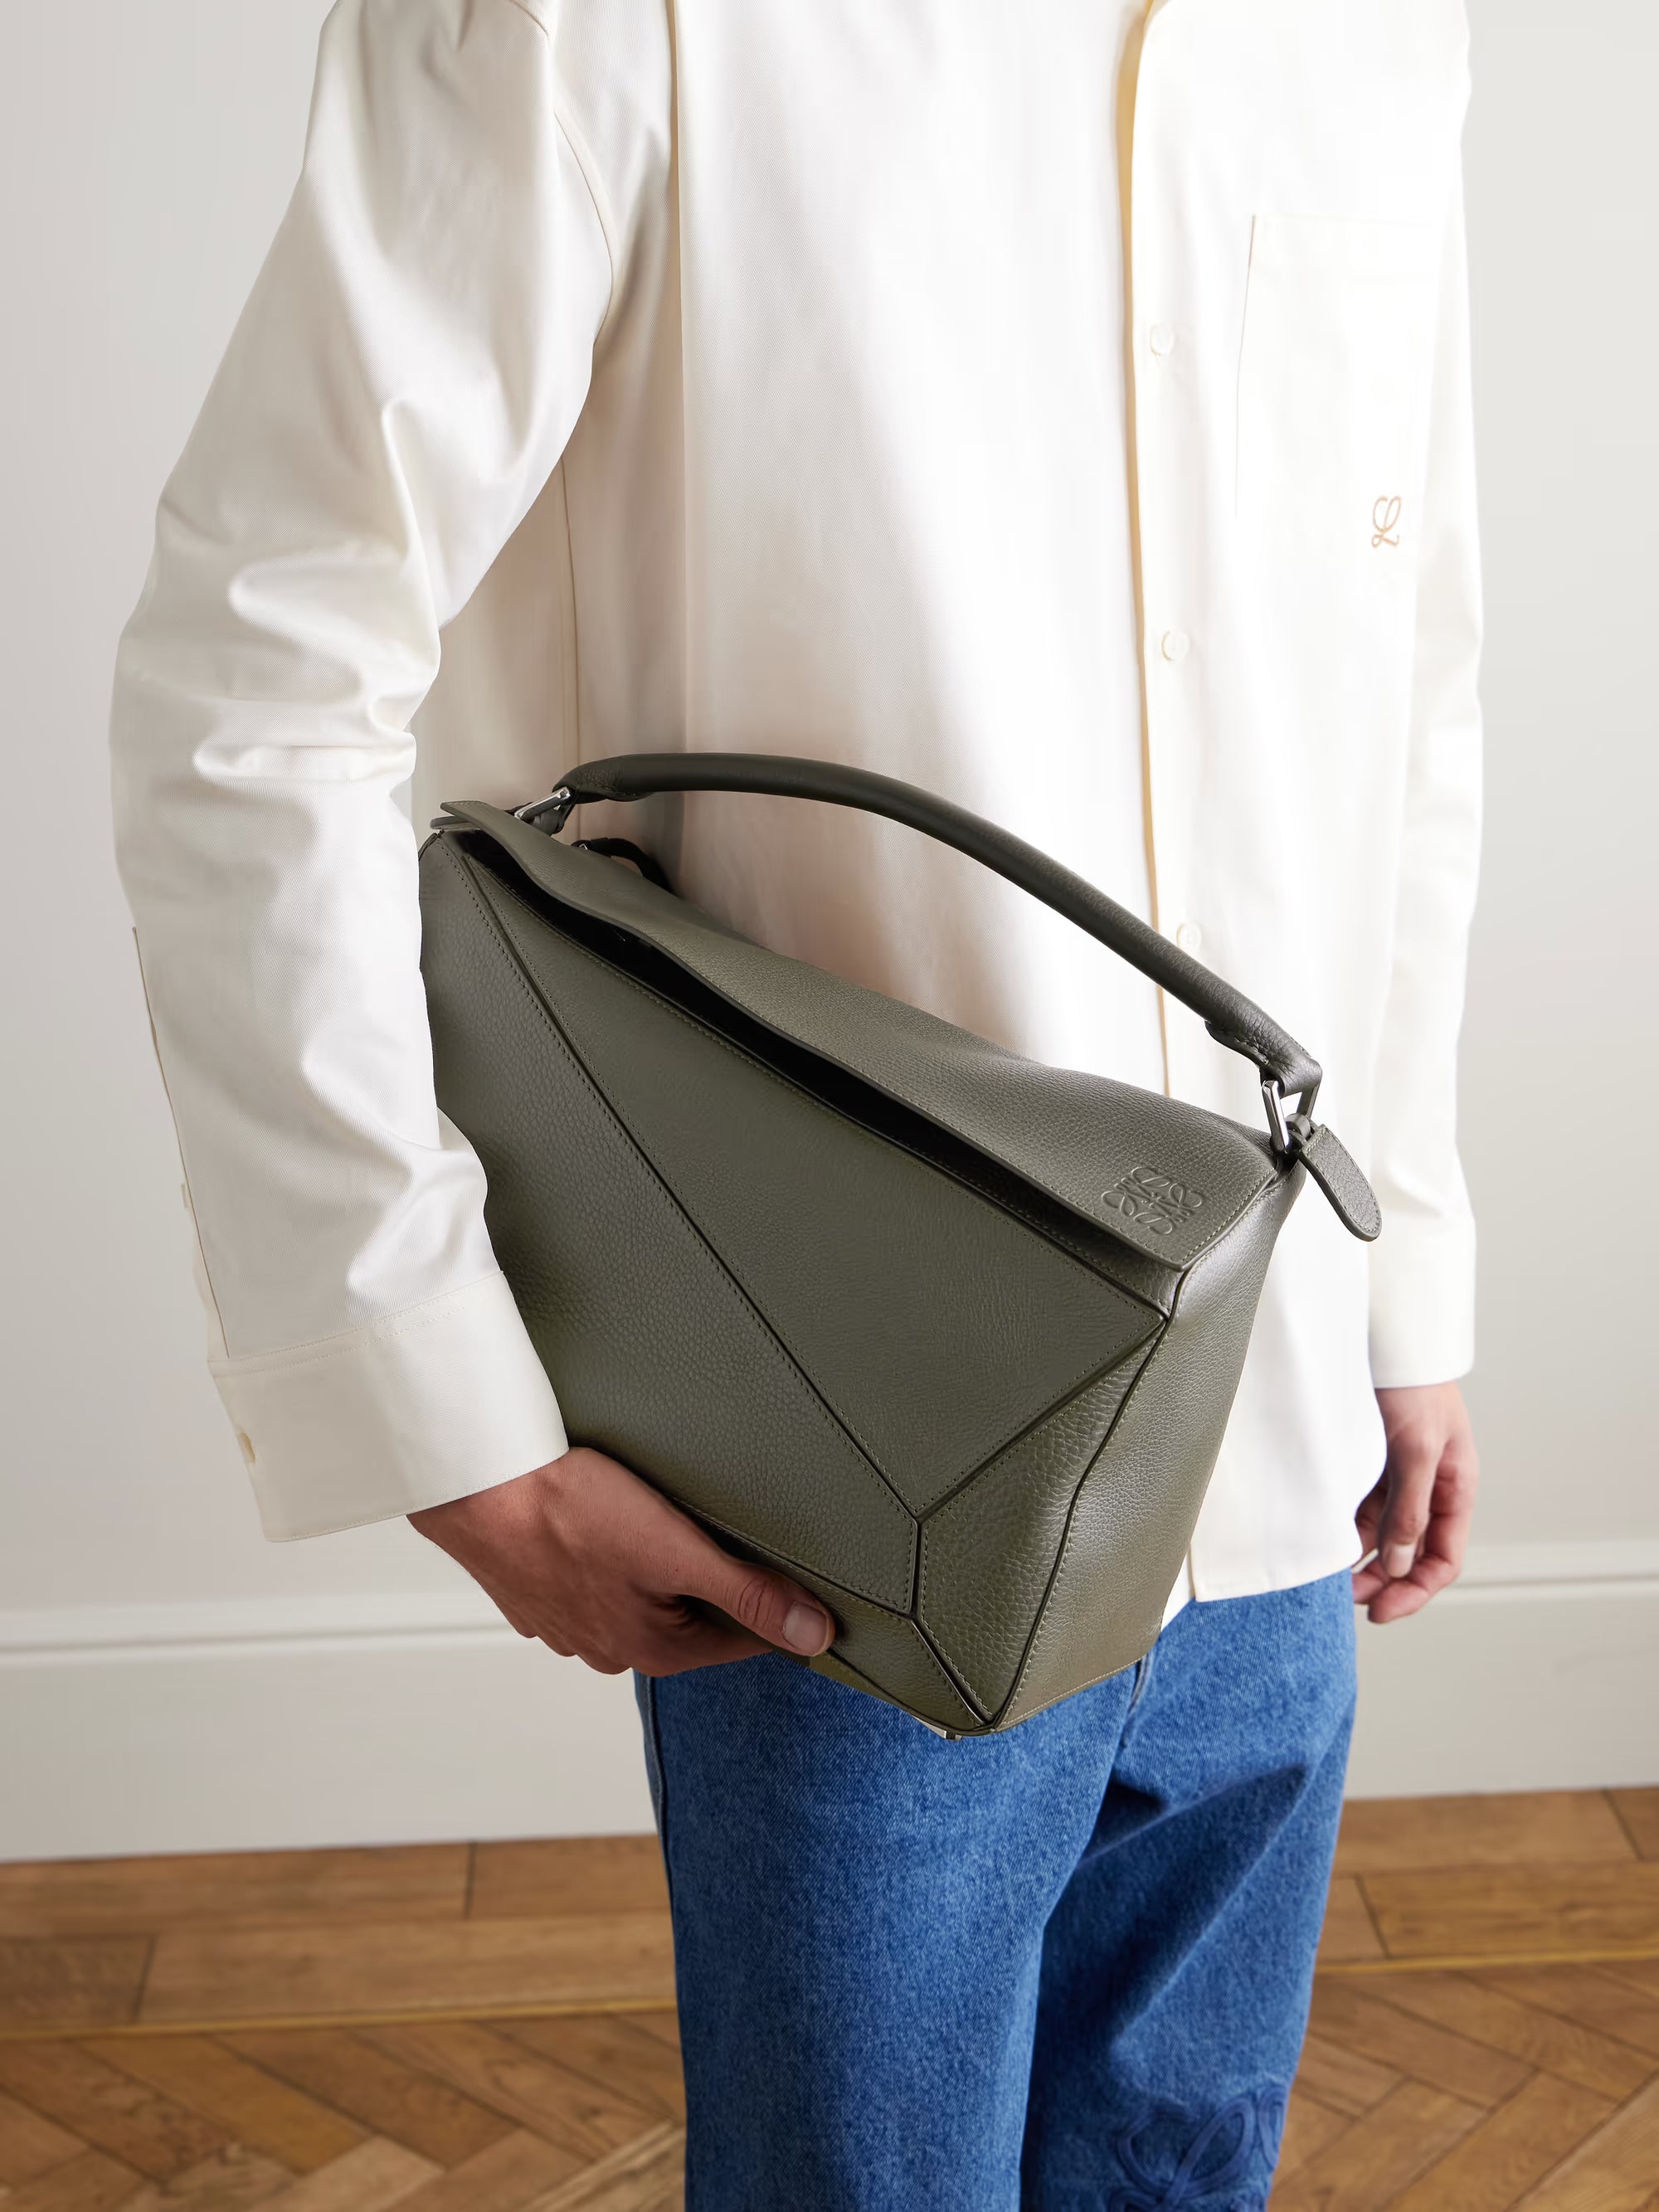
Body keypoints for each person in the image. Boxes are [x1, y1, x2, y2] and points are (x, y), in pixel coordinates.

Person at [109, 2, 1483, 2202]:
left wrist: (1406, 1275)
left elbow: (1403, 683)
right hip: (851, 1478)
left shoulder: (1378, 37)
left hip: (1285, 1439)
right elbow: (255, 673)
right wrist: (425, 1386)